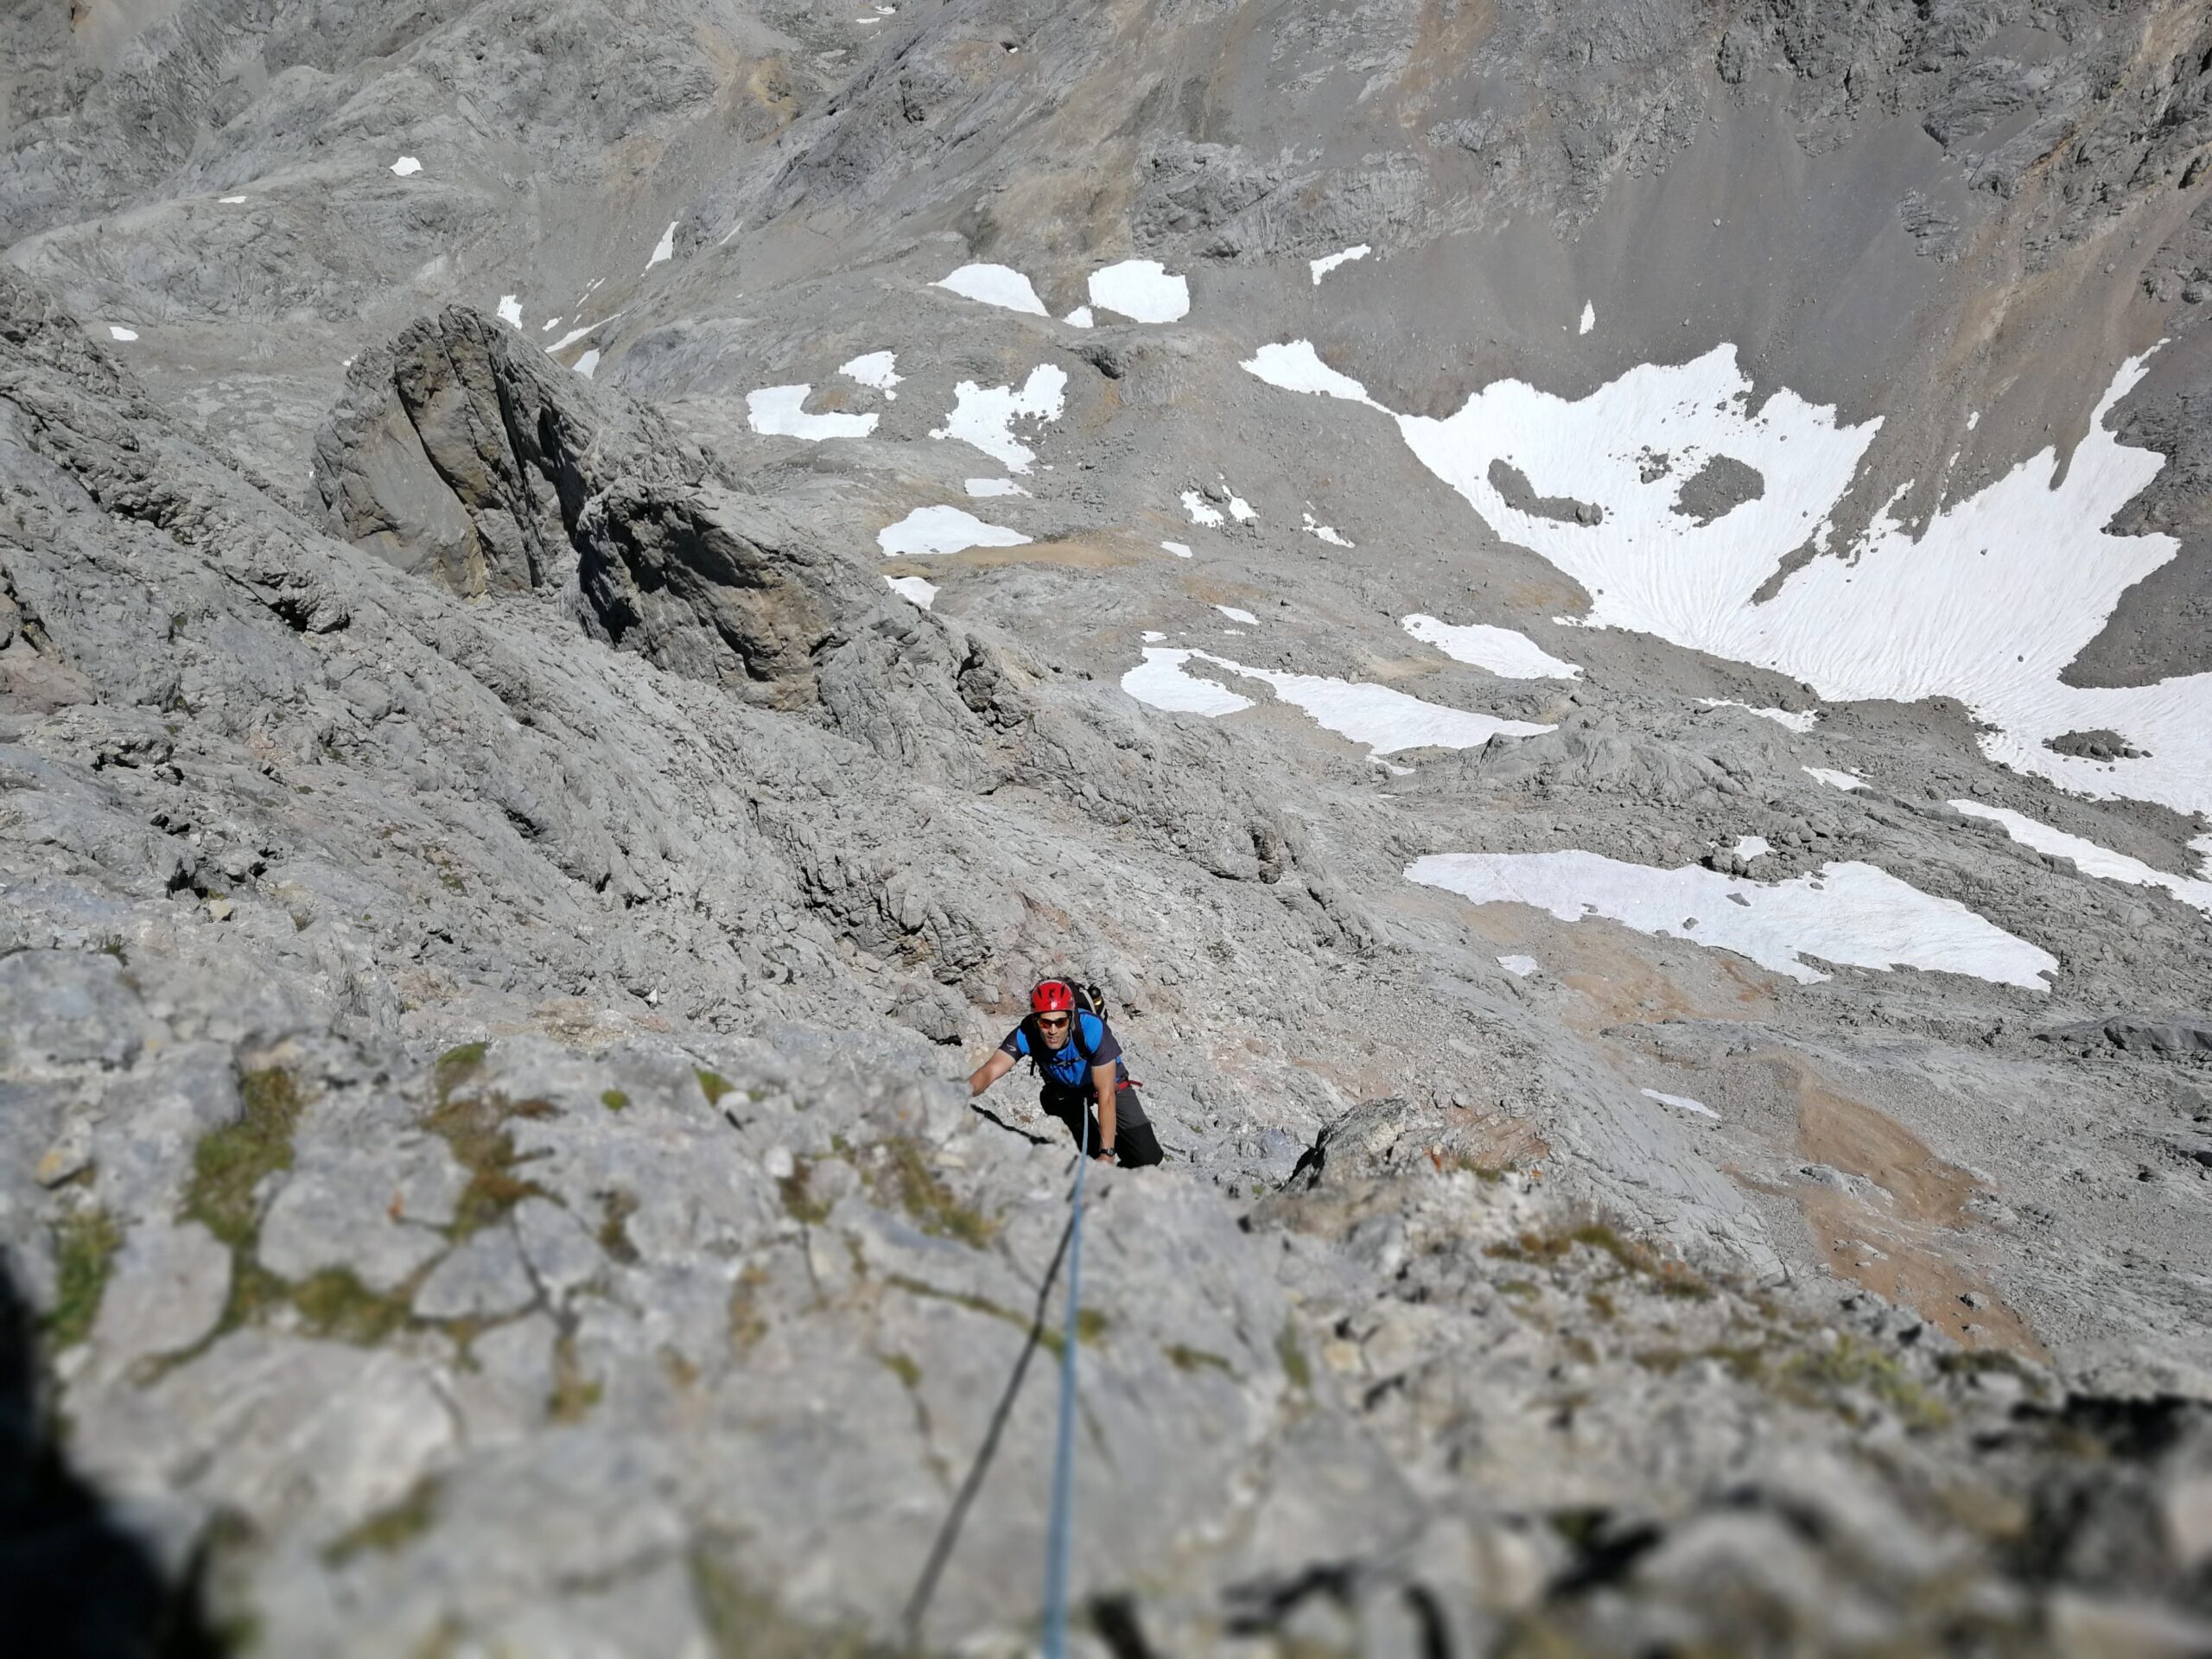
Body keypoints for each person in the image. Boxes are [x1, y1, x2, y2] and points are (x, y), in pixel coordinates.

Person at [968, 981, 1164, 1166]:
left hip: (1108, 1084)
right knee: (1054, 1099)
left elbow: (1106, 1095)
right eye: (1045, 1023)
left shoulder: (1092, 1028)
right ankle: (1093, 1153)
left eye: (1060, 1022)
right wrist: (960, 1090)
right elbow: (991, 1069)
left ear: (1070, 1018)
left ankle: (1114, 1150)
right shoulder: (1027, 1034)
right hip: (1069, 1091)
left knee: (1147, 1158)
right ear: (1036, 1021)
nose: (1053, 1030)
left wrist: (1108, 1154)